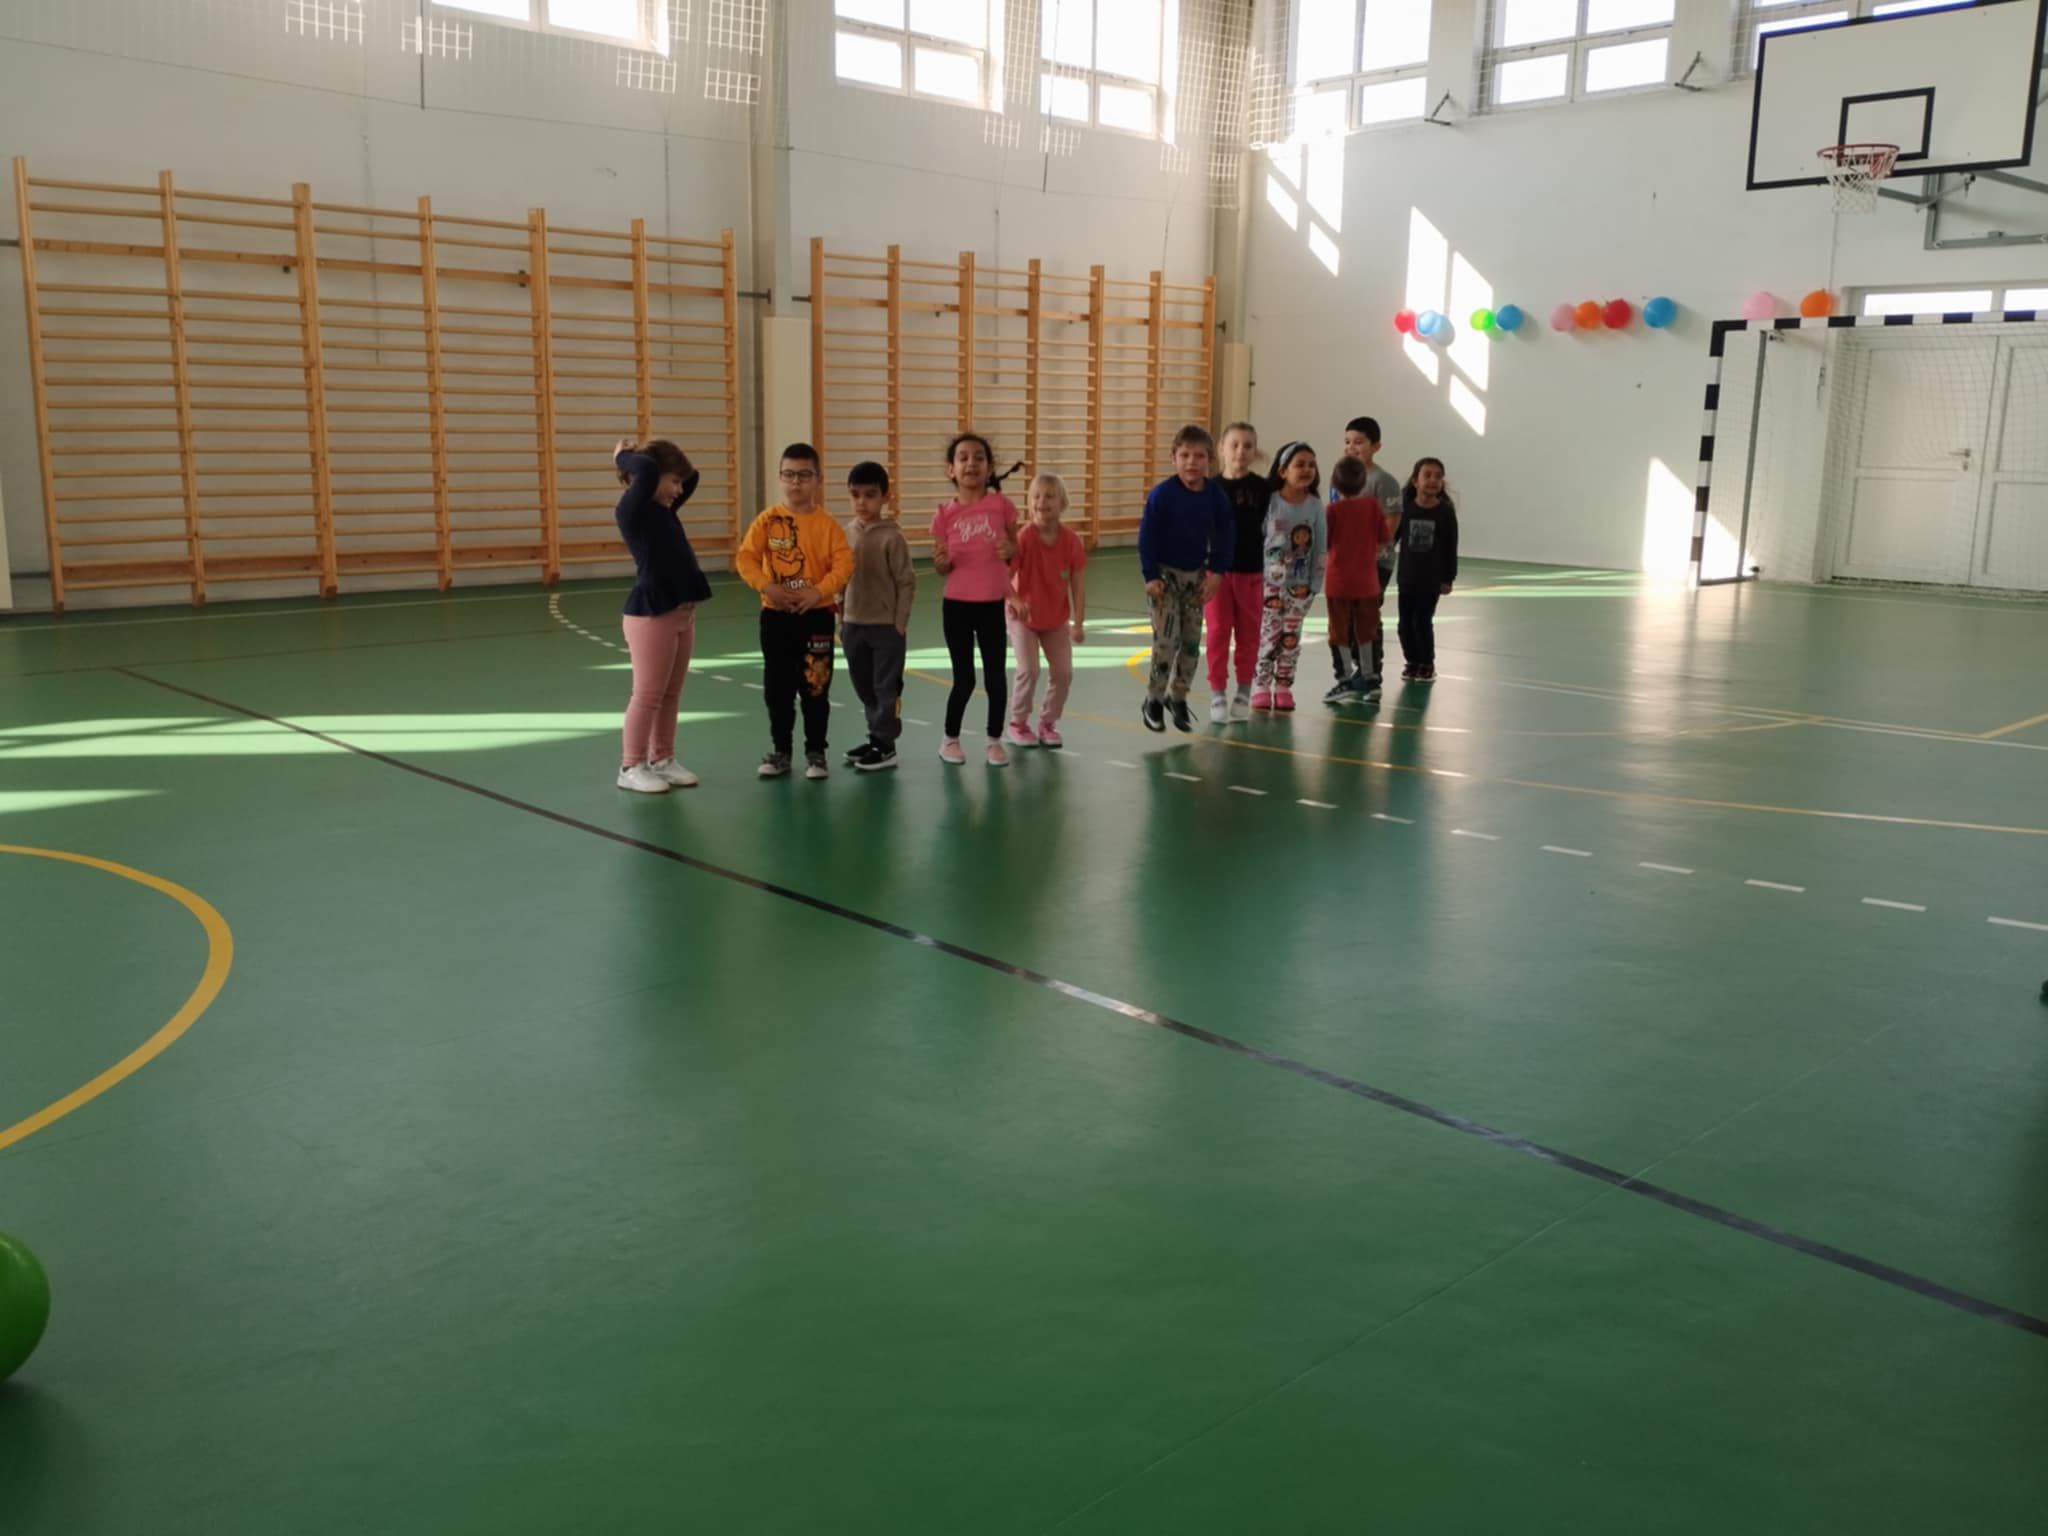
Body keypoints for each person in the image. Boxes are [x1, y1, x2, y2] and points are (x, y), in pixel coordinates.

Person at [736, 442, 854, 780]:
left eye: (804, 475)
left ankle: (816, 752)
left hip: (816, 617)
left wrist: (818, 592)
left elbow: (844, 564)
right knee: (778, 689)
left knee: (815, 687)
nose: (796, 482)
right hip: (776, 618)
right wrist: (766, 586)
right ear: (780, 478)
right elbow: (745, 558)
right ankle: (781, 751)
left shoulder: (828, 526)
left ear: (818, 479)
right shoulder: (767, 520)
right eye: (789, 475)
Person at [611, 437, 711, 794]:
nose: (680, 490)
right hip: (651, 616)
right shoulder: (632, 511)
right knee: (648, 694)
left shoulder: (664, 508)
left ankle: (662, 759)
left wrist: (676, 474)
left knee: (671, 694)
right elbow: (649, 469)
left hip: (682, 614)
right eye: (674, 481)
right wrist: (623, 457)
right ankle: (631, 765)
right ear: (648, 478)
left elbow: (693, 477)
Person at [931, 432, 1020, 767]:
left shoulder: (1002, 506)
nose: (971, 463)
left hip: (991, 604)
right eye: (963, 458)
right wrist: (941, 563)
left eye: (979, 458)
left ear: (989, 467)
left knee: (995, 676)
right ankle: (950, 739)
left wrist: (1011, 549)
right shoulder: (944, 514)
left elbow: (1015, 550)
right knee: (964, 678)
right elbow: (941, 565)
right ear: (951, 469)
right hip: (956, 606)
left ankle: (994, 740)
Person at [1137, 424, 1232, 732]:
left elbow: (1225, 535)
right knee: (1166, 641)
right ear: (1173, 458)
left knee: (1191, 643)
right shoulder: (1162, 495)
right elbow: (1147, 537)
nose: (1192, 462)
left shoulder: (1215, 496)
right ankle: (1154, 698)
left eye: (1200, 456)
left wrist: (1217, 572)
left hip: (1195, 580)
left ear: (1210, 461)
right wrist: (1151, 575)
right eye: (1185, 455)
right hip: (1165, 580)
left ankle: (1177, 696)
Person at [838, 460, 916, 774]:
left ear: (885, 497)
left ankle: (886, 745)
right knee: (864, 686)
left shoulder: (892, 538)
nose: (862, 502)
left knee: (885, 688)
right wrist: (840, 615)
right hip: (852, 625)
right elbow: (839, 577)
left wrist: (899, 622)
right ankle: (875, 738)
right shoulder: (846, 533)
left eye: (870, 495)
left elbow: (906, 582)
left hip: (885, 628)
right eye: (855, 495)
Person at [1004, 472, 1088, 750]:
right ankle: (1017, 723)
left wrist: (1078, 623)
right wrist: (1014, 600)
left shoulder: (1071, 541)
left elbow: (1078, 585)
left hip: (1055, 619)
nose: (1042, 502)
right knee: (1029, 669)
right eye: (1036, 497)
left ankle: (1048, 723)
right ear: (1029, 503)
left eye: (1049, 496)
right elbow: (1005, 577)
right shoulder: (1024, 538)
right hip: (1023, 618)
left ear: (1063, 503)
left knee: (1063, 673)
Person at [1330, 416, 1403, 691]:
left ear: (1376, 446)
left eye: (1358, 442)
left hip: (1375, 564)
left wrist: (1371, 552)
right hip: (1347, 564)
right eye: (1347, 441)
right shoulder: (1340, 478)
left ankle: (1372, 670)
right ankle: (1358, 666)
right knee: (1346, 617)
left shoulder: (1383, 481)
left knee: (1367, 614)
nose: (1351, 447)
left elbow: (1391, 520)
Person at [1321, 455, 1399, 704]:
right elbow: (1384, 538)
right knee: (1367, 631)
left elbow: (1324, 543)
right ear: (1364, 481)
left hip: (1339, 582)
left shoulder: (1332, 511)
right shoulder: (1372, 507)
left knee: (1339, 631)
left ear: (1335, 484)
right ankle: (1371, 679)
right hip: (1368, 582)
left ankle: (1344, 679)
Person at [1252, 441, 1324, 712]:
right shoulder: (1270, 502)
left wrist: (1315, 584)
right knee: (1269, 635)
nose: (1307, 469)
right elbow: (1257, 540)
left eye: (1311, 465)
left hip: (1301, 587)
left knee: (1291, 638)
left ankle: (1283, 686)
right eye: (1299, 464)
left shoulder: (1315, 506)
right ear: (1282, 471)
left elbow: (1321, 547)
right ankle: (1261, 685)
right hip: (1269, 585)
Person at [1204, 421, 1265, 724]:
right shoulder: (1209, 488)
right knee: (1217, 632)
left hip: (1251, 572)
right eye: (1235, 445)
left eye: (1248, 446)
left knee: (1248, 634)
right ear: (1221, 450)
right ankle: (1217, 691)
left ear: (1255, 452)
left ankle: (1243, 690)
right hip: (1216, 575)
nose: (1241, 451)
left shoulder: (1263, 489)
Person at [1396, 457, 1459, 683]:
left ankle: (1426, 663)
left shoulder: (1445, 512)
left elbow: (1451, 547)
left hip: (1430, 580)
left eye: (1438, 476)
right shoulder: (1405, 508)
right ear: (1415, 481)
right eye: (1428, 475)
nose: (1433, 480)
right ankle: (1412, 661)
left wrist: (1448, 578)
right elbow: (1391, 537)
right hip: (1407, 577)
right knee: (1404, 624)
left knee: (1421, 621)